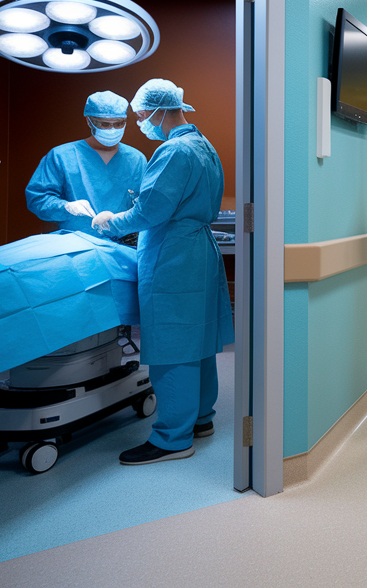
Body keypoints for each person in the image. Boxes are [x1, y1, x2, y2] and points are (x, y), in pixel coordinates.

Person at [92, 79, 233, 466]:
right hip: (198, 252)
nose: (140, 123)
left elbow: (150, 211)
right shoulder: (203, 145)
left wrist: (110, 221)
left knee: (173, 345)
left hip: (174, 256)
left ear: (160, 111)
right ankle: (201, 419)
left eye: (140, 117)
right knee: (199, 341)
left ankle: (173, 437)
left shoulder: (173, 151)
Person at [25, 91, 147, 238]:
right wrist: (65, 207)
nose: (112, 129)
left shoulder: (136, 159)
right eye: (105, 124)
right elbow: (38, 199)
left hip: (123, 247)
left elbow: (146, 206)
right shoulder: (61, 156)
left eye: (119, 123)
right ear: (89, 121)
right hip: (76, 245)